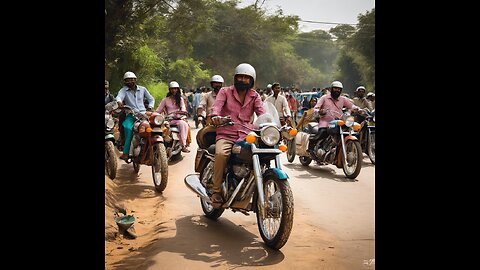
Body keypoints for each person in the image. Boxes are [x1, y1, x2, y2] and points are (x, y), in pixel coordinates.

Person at [209, 63, 265, 206]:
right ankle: (216, 191)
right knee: (221, 154)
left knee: (261, 154)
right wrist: (215, 116)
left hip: (247, 134)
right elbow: (217, 106)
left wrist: (271, 125)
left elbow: (262, 113)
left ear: (251, 80)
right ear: (235, 78)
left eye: (246, 78)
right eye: (240, 77)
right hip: (227, 133)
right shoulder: (225, 92)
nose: (242, 80)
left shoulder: (254, 96)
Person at [310, 80, 359, 154]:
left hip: (340, 121)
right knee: (322, 133)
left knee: (350, 131)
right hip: (325, 122)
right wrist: (320, 111)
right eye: (335, 88)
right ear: (331, 89)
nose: (337, 90)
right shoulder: (324, 98)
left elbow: (351, 106)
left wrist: (358, 109)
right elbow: (316, 108)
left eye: (339, 89)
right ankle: (311, 148)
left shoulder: (343, 99)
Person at [116, 71, 155, 161]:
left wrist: (150, 107)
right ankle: (126, 153)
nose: (130, 82)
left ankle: (159, 147)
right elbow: (119, 97)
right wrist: (119, 102)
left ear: (135, 80)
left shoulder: (142, 89)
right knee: (128, 128)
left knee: (156, 125)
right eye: (128, 80)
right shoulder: (123, 90)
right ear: (125, 82)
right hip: (131, 115)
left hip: (144, 113)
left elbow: (151, 99)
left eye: (132, 80)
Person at [156, 81, 191, 153]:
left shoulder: (180, 99)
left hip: (178, 119)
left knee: (183, 124)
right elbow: (158, 110)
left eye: (175, 89)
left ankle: (183, 145)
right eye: (172, 89)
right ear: (169, 90)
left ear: (178, 89)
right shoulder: (165, 100)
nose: (174, 90)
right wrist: (154, 115)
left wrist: (182, 113)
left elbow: (183, 108)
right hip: (169, 119)